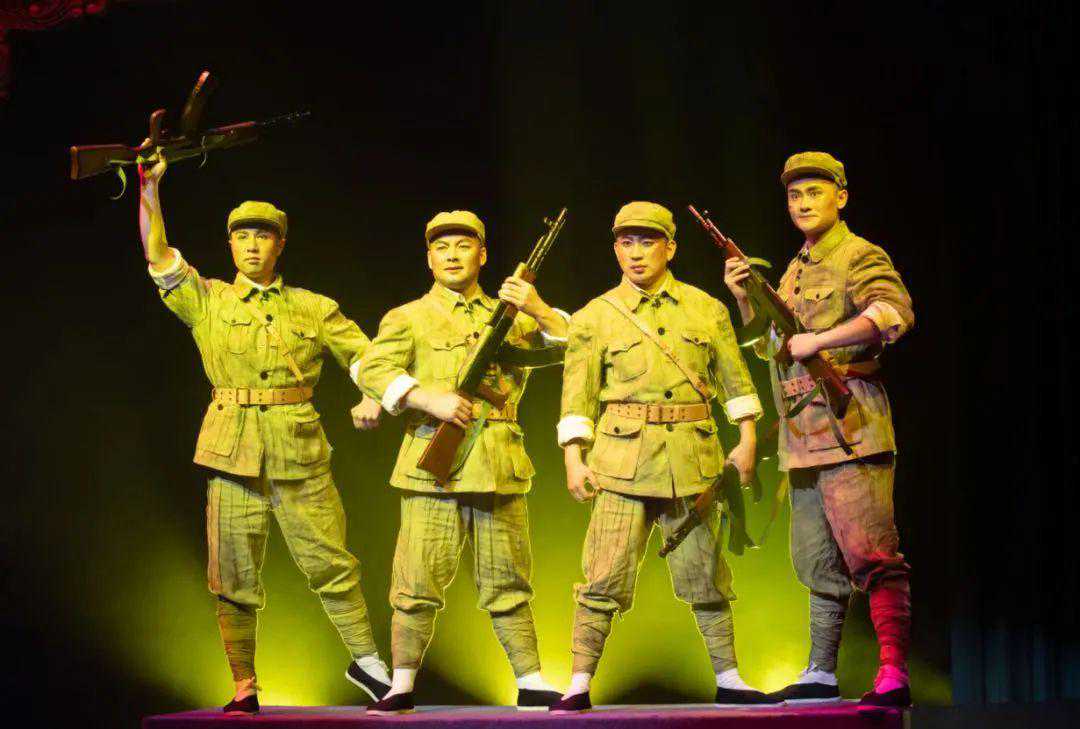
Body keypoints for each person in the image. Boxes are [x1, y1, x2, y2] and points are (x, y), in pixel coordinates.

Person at [138, 153, 390, 715]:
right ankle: (244, 685)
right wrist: (149, 189)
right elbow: (158, 256)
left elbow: (369, 358)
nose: (252, 245)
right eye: (242, 236)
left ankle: (370, 664)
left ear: (280, 244)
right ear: (230, 245)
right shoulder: (209, 299)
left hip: (298, 448)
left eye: (264, 236)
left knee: (332, 562)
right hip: (230, 450)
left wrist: (373, 395)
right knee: (231, 574)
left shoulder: (314, 307)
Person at [551, 201, 775, 712]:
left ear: (670, 247)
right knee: (602, 575)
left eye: (647, 241)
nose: (635, 253)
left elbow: (735, 379)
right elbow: (576, 397)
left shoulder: (705, 308)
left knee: (707, 572)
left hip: (691, 457)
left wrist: (746, 438)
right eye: (625, 242)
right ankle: (579, 681)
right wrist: (573, 458)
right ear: (615, 249)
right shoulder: (594, 316)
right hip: (620, 462)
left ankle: (730, 677)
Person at [355, 210, 567, 714]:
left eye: (463, 245)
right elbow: (372, 369)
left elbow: (573, 346)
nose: (452, 256)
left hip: (498, 462)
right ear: (429, 258)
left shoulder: (513, 314)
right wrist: (427, 398)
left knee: (509, 580)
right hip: (433, 465)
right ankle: (401, 683)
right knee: (416, 580)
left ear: (483, 254)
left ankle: (531, 680)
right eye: (442, 247)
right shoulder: (408, 316)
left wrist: (538, 307)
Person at [725, 151, 914, 707]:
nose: (803, 203)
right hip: (802, 436)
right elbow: (774, 349)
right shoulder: (794, 269)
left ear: (841, 197)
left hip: (851, 425)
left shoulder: (858, 254)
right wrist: (745, 299)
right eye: (794, 195)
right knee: (815, 561)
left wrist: (822, 341)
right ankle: (822, 672)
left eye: (814, 192)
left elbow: (893, 314)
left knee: (872, 555)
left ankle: (893, 673)